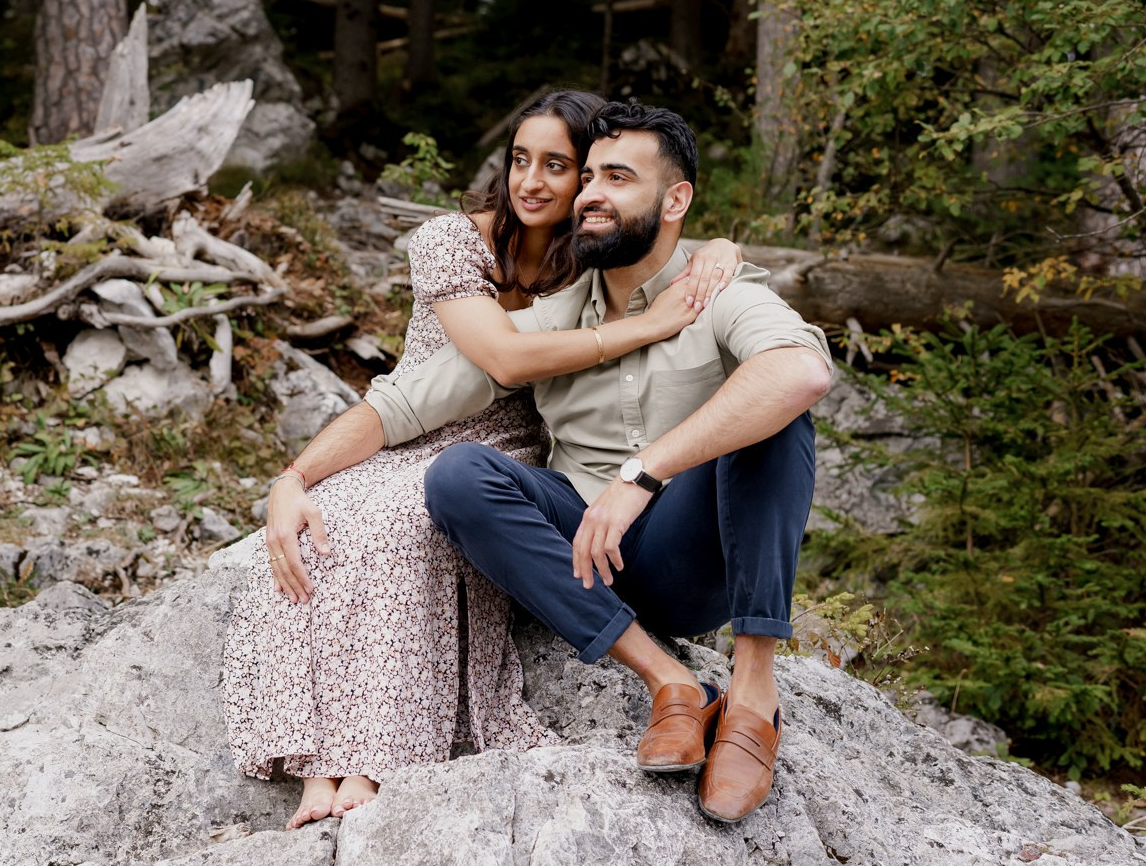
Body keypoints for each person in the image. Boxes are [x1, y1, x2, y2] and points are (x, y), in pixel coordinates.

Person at [263, 98, 832, 824]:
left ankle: (754, 698)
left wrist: (644, 472)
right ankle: (673, 685)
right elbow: (405, 402)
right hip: (588, 557)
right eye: (588, 177)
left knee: (778, 419)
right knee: (458, 473)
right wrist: (294, 478)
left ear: (675, 199)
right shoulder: (559, 313)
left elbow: (801, 373)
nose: (591, 193)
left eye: (618, 178)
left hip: (693, 556)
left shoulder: (717, 292)